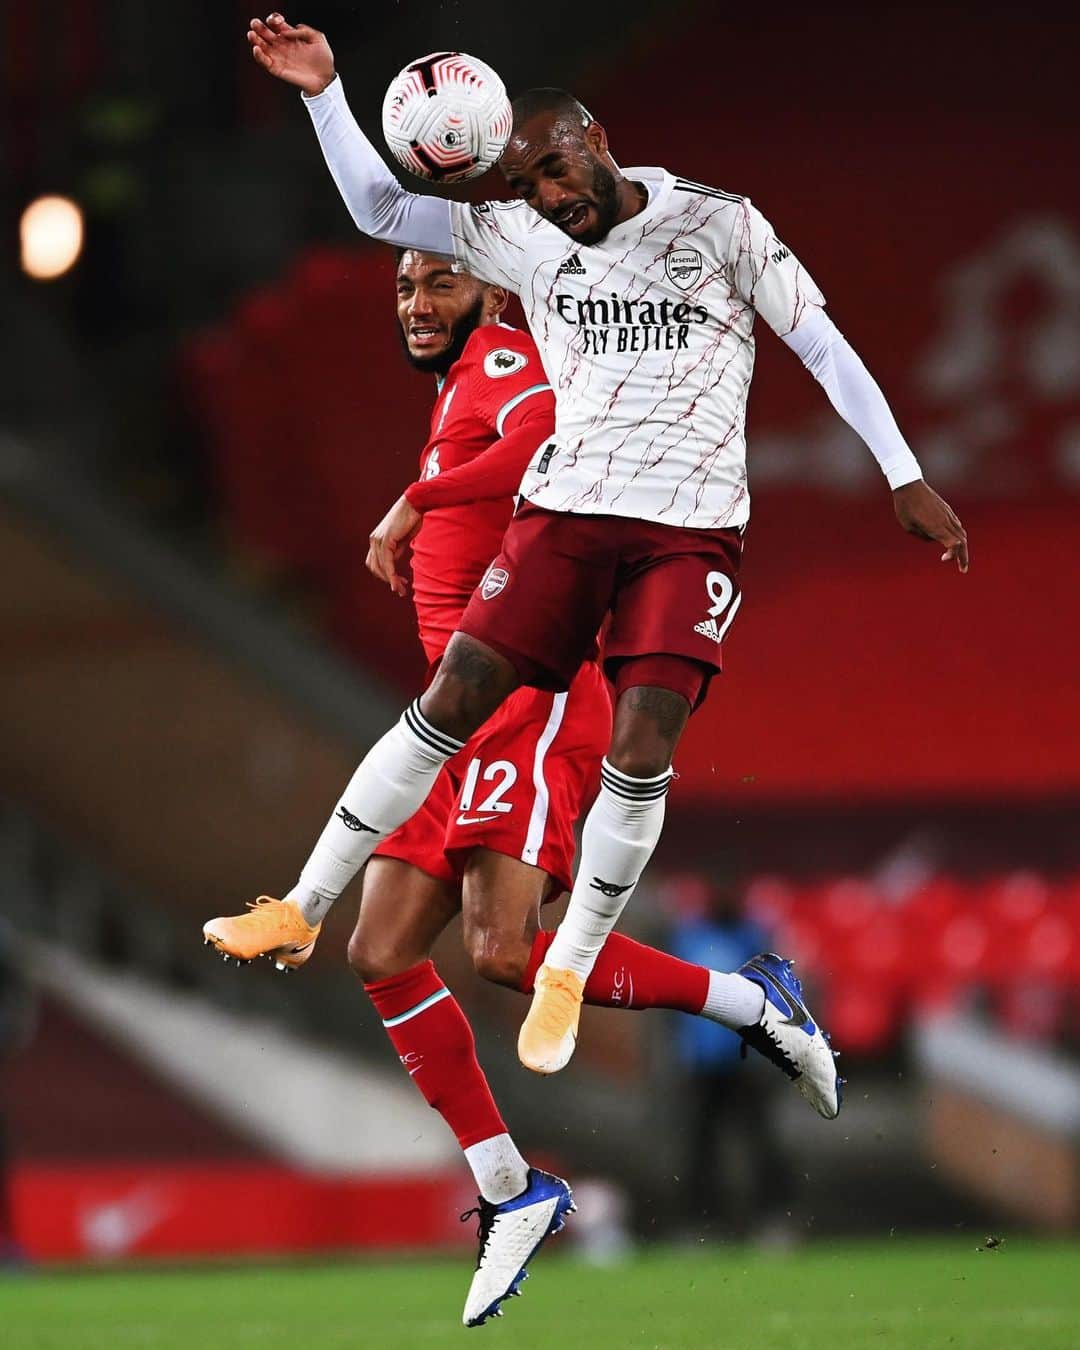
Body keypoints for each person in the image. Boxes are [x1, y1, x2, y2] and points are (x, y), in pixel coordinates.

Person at [220, 11, 969, 1103]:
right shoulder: (521, 237)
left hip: (688, 526)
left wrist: (902, 472)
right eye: (522, 185)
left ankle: (569, 966)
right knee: (445, 702)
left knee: (641, 744)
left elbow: (820, 339)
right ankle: (301, 901)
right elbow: (383, 207)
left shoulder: (718, 224)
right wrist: (323, 93)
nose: (548, 198)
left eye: (555, 170)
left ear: (598, 138)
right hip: (567, 516)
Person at [206, 248, 825, 1324]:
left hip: (528, 709)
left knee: (501, 954)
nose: (416, 304)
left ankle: (745, 1000)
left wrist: (415, 497)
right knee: (381, 950)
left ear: (489, 293)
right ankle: (510, 1187)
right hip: (464, 725)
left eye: (437, 282)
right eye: (403, 289)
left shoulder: (501, 356)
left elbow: (542, 436)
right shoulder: (459, 378)